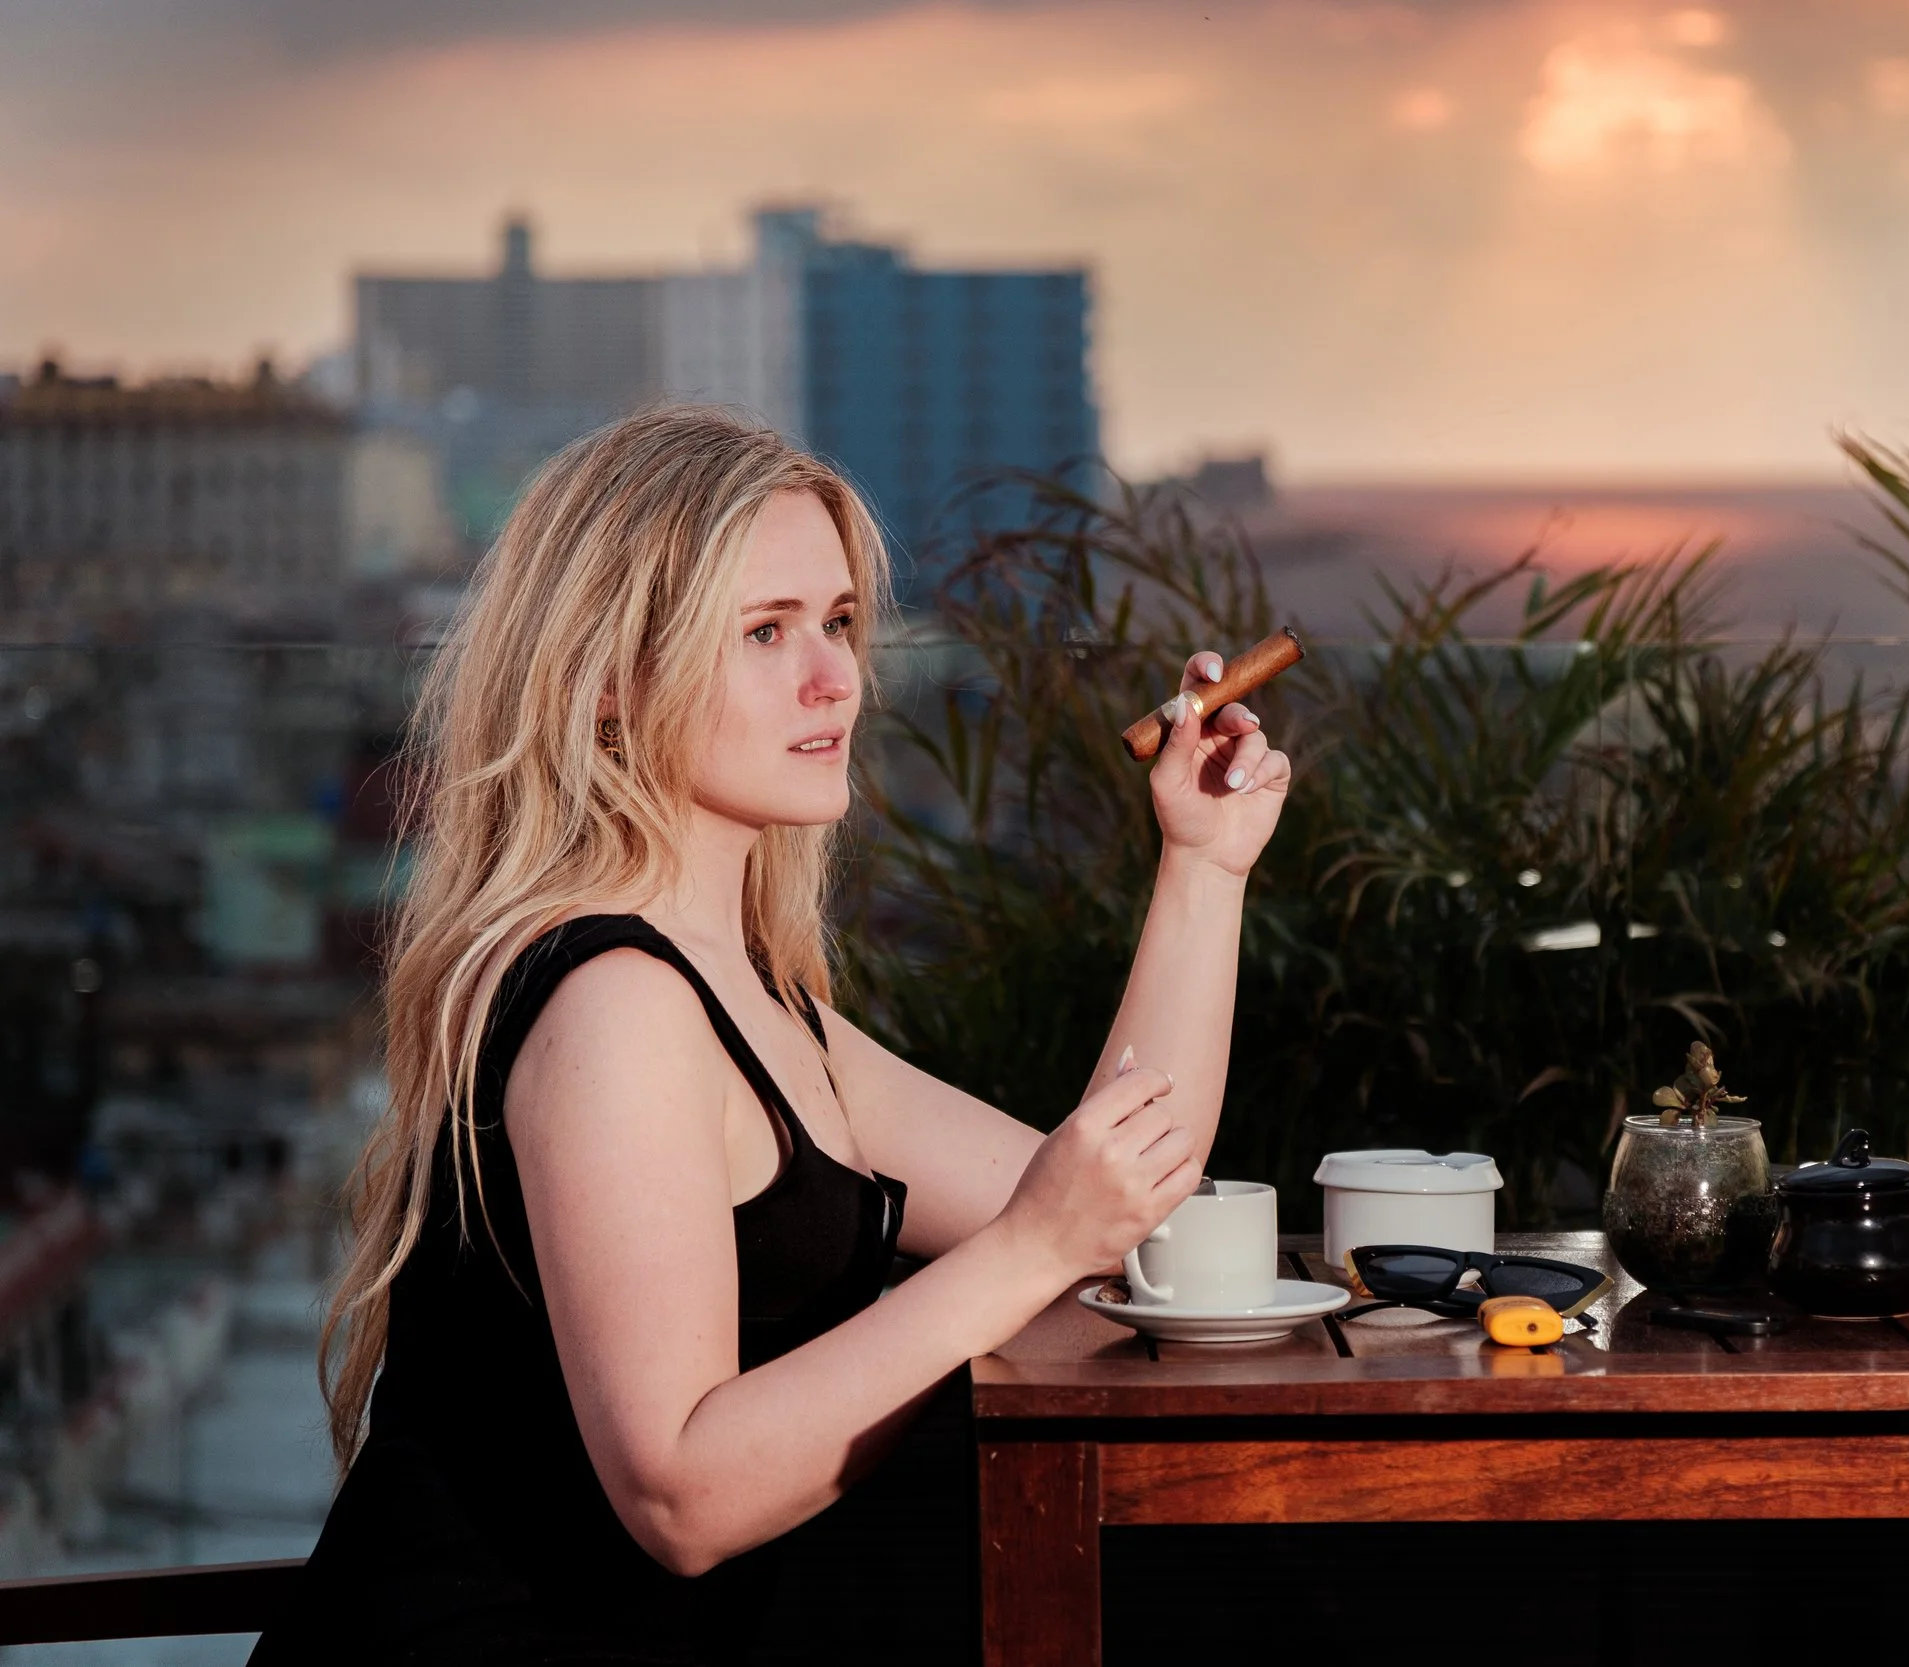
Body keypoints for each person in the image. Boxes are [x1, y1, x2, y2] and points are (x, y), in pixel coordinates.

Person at [251, 407, 1290, 1665]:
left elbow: (1134, 1189)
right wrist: (1031, 1242)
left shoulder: (751, 997)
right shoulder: (612, 1004)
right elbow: (681, 1495)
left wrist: (1202, 864)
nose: (834, 677)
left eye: (840, 621)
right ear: (607, 690)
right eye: (763, 632)